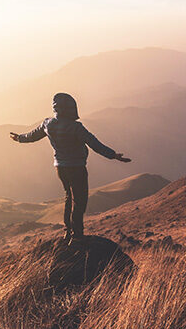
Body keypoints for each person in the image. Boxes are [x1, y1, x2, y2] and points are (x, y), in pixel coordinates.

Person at [10, 93, 130, 243]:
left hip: (60, 167)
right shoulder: (76, 127)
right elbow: (95, 144)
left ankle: (68, 231)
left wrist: (19, 138)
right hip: (77, 167)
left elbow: (32, 136)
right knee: (80, 200)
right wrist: (113, 155)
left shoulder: (48, 124)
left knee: (69, 197)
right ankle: (77, 234)